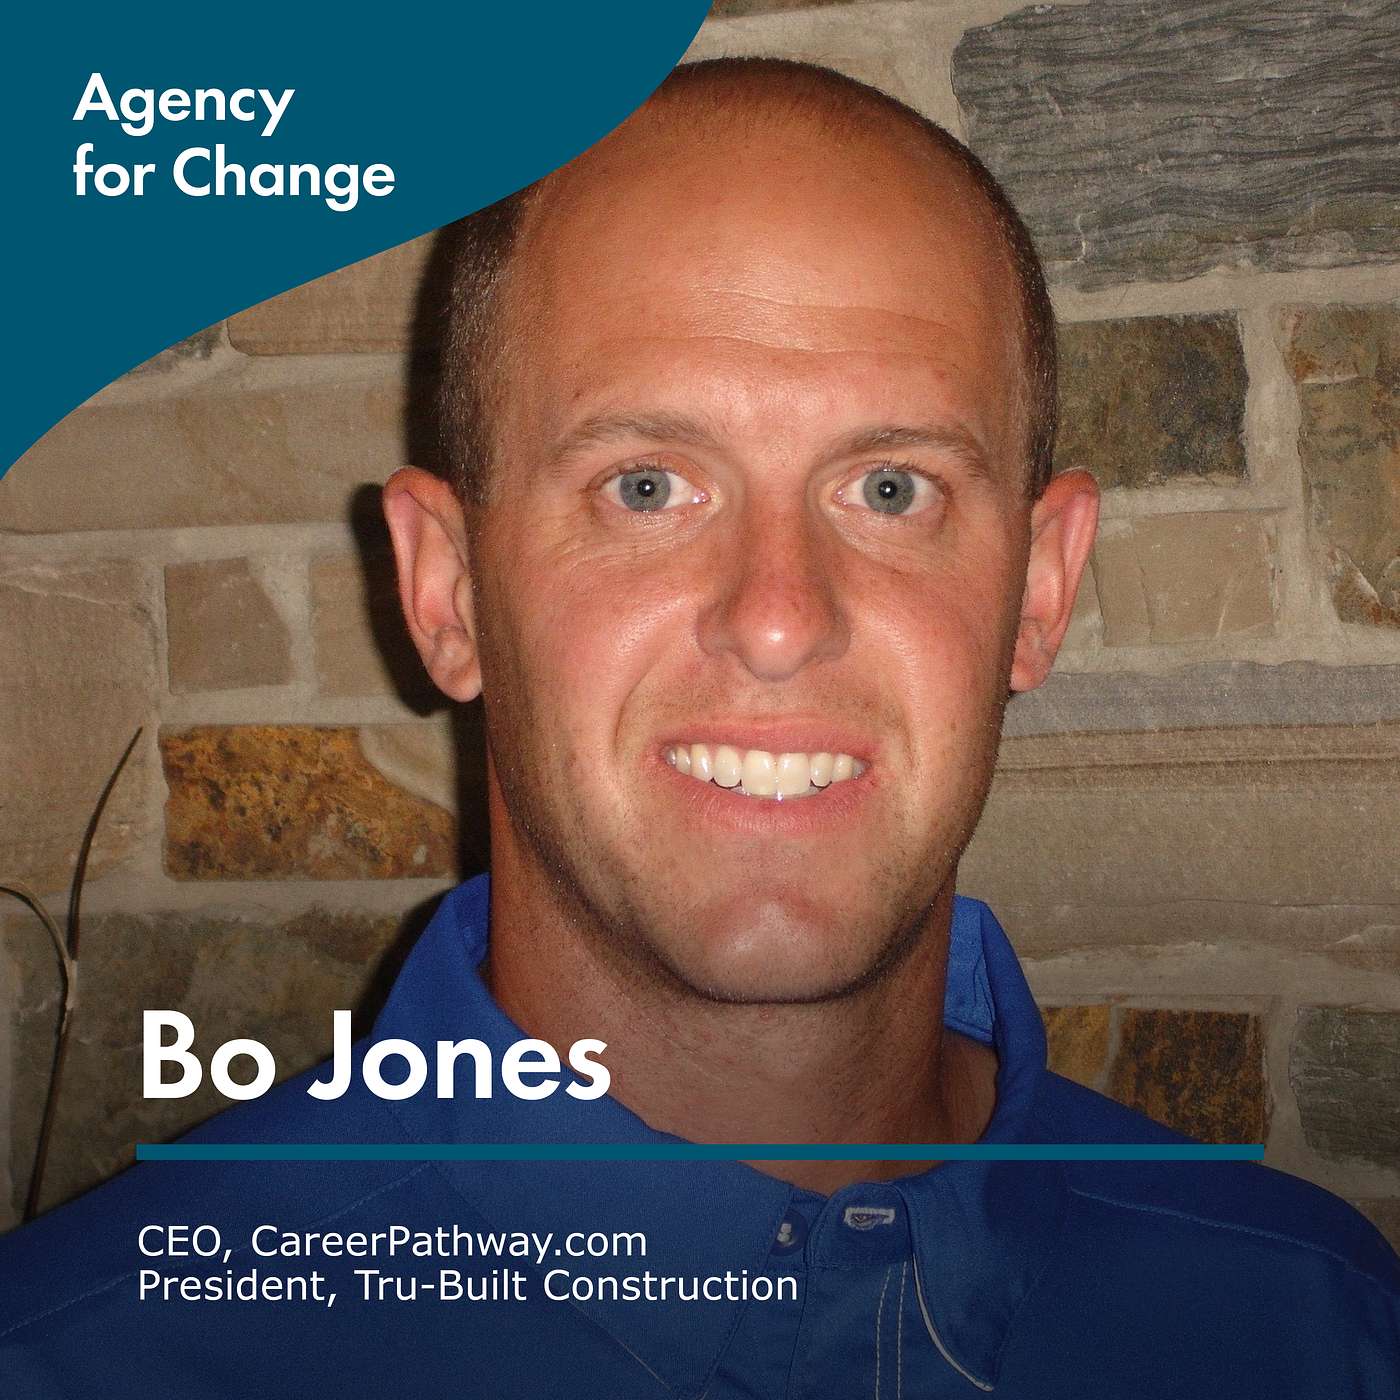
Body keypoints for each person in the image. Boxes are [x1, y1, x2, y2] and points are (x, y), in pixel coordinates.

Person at [1, 57, 1396, 1399]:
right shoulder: (80, 1361)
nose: (778, 619)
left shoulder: (1313, 1326)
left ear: (1038, 591)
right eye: (648, 487)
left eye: (892, 489)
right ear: (450, 592)